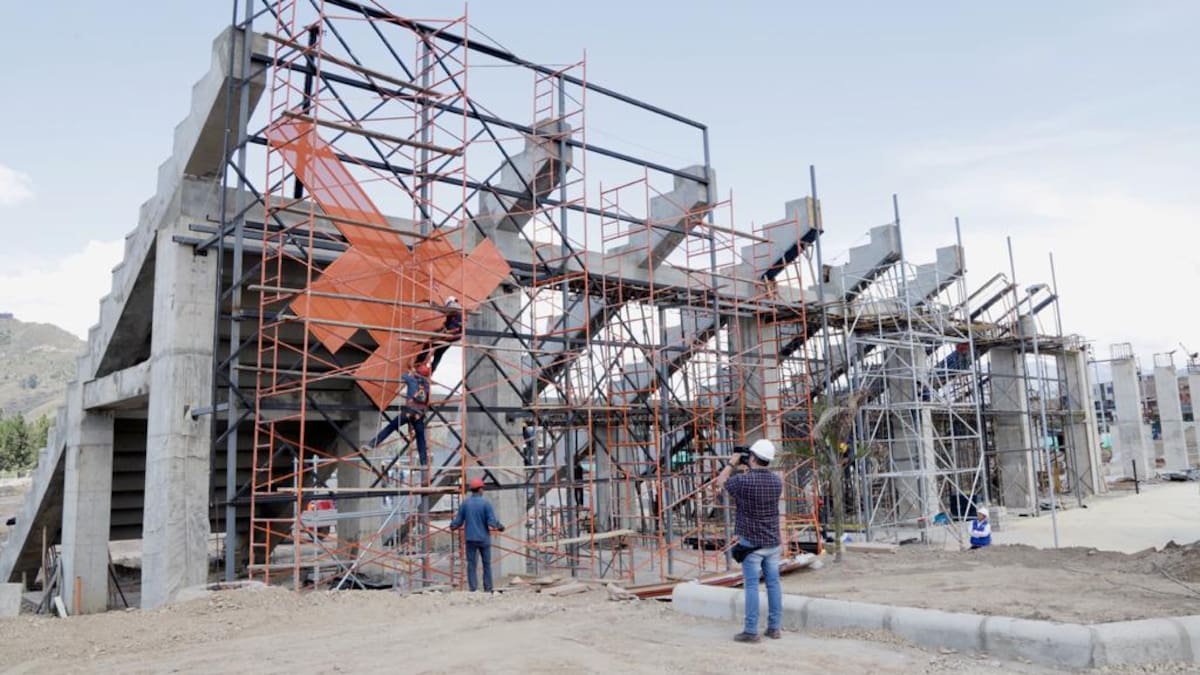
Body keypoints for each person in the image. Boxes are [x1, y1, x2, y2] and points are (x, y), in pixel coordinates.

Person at [714, 439, 783, 643]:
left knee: (752, 586)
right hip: (772, 541)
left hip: (752, 544)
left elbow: (721, 481)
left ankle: (751, 630)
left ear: (752, 457)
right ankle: (774, 628)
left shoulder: (743, 481)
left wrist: (732, 462)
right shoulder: (777, 481)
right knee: (773, 585)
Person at [366, 363, 432, 465]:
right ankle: (423, 463)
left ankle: (372, 444)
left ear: (417, 372)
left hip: (408, 412)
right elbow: (427, 403)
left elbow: (402, 375)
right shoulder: (427, 386)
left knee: (391, 427)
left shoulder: (411, 379)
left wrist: (410, 371)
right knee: (421, 439)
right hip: (419, 415)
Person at [450, 477, 505, 592]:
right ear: (480, 489)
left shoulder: (465, 504)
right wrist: (500, 527)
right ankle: (488, 588)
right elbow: (491, 522)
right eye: (482, 488)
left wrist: (453, 526)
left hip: (470, 539)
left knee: (471, 565)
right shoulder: (486, 504)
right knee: (486, 565)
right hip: (483, 539)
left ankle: (473, 589)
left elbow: (458, 521)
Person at [418, 296, 464, 371]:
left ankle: (418, 362)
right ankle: (432, 370)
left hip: (450, 335)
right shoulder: (460, 311)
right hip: (455, 337)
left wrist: (431, 303)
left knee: (428, 344)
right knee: (439, 352)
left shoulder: (453, 306)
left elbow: (443, 310)